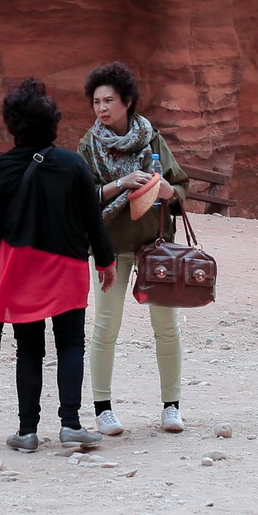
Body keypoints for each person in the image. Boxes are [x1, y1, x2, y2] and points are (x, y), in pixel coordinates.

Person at [0, 78, 115, 453]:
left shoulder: (0, 169)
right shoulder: (72, 165)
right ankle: (71, 425)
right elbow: (92, 219)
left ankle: (28, 431)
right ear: (52, 125)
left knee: (29, 348)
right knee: (71, 344)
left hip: (20, 270)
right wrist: (105, 261)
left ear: (12, 126)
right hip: (67, 268)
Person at [75, 62, 190, 436]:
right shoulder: (88, 146)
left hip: (155, 248)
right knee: (106, 326)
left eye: (109, 100)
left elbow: (180, 190)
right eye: (96, 102)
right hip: (110, 247)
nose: (102, 108)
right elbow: (80, 200)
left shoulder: (152, 140)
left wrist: (165, 191)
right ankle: (103, 408)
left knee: (167, 327)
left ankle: (171, 407)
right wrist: (121, 183)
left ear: (127, 101)